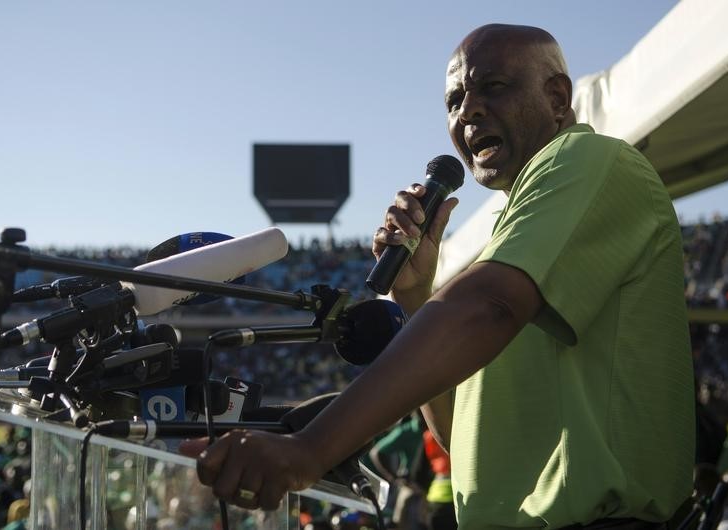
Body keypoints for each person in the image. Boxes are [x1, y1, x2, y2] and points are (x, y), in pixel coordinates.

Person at [180, 23, 695, 529]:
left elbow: (487, 305)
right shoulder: (510, 235)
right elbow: (463, 441)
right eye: (453, 101)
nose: (468, 110)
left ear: (558, 98)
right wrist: (414, 297)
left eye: (492, 87)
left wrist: (309, 449)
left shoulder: (591, 158)